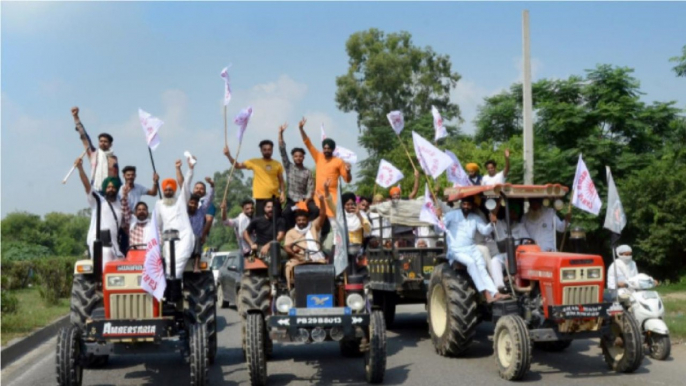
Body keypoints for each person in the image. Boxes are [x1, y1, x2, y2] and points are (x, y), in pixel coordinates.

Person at [434, 196, 508, 302]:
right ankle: (486, 294)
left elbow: (484, 231)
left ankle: (495, 293)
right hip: (456, 250)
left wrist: (492, 223)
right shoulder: (451, 215)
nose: (466, 206)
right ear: (461, 204)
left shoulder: (475, 217)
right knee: (471, 263)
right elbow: (438, 230)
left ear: (472, 206)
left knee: (481, 267)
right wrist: (437, 218)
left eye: (468, 204)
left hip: (471, 248)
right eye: (464, 204)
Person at [74, 157, 126, 270]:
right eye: (108, 187)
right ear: (105, 189)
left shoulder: (120, 205)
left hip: (114, 245)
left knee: (122, 265)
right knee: (105, 255)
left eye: (113, 187)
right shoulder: (98, 200)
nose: (111, 189)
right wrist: (80, 168)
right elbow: (87, 186)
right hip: (98, 242)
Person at [298, 117, 352, 218]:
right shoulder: (319, 157)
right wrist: (301, 129)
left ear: (332, 149)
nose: (326, 150)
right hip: (318, 196)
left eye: (328, 148)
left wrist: (348, 172)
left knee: (333, 221)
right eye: (325, 148)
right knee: (317, 218)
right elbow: (308, 143)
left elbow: (347, 180)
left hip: (332, 196)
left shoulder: (338, 161)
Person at [155, 159, 195, 279]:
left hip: (183, 238)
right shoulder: (159, 204)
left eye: (170, 189)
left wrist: (182, 169)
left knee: (177, 267)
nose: (168, 192)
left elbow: (185, 184)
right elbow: (158, 224)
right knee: (169, 266)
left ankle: (174, 287)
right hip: (168, 240)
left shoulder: (181, 201)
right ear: (163, 191)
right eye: (166, 190)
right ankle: (169, 293)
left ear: (174, 191)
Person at [224, 140, 285, 218]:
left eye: (269, 149)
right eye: (265, 150)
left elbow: (281, 180)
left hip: (274, 197)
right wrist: (228, 155)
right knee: (261, 222)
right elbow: (237, 165)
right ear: (261, 150)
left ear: (272, 150)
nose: (267, 152)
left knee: (277, 220)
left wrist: (282, 192)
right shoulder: (254, 162)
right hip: (260, 198)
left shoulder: (277, 164)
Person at [283, 193, 328, 289]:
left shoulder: (313, 226)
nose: (301, 222)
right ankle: (291, 291)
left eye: (303, 220)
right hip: (298, 259)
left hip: (315, 258)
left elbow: (322, 214)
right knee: (288, 267)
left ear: (307, 220)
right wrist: (295, 255)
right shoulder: (291, 232)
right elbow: (286, 247)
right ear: (296, 221)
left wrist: (321, 201)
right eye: (299, 220)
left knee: (327, 268)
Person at [278, 122, 317, 229]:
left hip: (305, 200)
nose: (298, 158)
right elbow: (282, 151)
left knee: (316, 210)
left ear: (303, 158)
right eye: (296, 156)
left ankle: (308, 228)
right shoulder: (289, 167)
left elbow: (310, 189)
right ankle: (294, 231)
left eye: (300, 156)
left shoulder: (308, 172)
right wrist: (280, 134)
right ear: (293, 157)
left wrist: (305, 203)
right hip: (292, 201)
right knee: (285, 214)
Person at [71, 106, 119, 190]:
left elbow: (116, 177)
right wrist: (76, 118)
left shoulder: (113, 159)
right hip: (96, 189)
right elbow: (85, 137)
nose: (102, 143)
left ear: (110, 144)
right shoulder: (93, 154)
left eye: (105, 141)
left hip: (110, 191)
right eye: (101, 141)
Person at [489, 201, 532, 290]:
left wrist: (527, 243)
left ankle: (521, 286)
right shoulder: (499, 224)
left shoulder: (520, 226)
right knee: (494, 261)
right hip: (503, 254)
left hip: (517, 255)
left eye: (515, 213)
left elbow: (527, 241)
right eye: (511, 212)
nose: (513, 215)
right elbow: (492, 217)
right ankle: (500, 286)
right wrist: (500, 200)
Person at [326, 183, 371, 257]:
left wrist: (358, 215)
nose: (350, 206)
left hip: (355, 247)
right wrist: (326, 190)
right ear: (343, 205)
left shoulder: (361, 214)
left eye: (352, 204)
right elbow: (330, 203)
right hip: (340, 245)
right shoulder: (340, 214)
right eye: (347, 204)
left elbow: (368, 229)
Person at [188, 177, 215, 272]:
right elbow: (183, 185)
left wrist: (212, 185)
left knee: (196, 238)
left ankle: (196, 265)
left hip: (196, 241)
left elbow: (209, 199)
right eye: (191, 203)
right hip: (183, 240)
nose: (193, 205)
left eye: (195, 204)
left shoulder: (201, 211)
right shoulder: (183, 211)